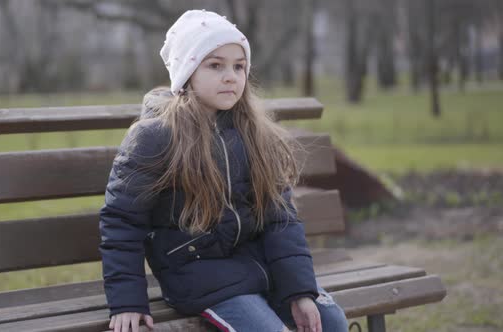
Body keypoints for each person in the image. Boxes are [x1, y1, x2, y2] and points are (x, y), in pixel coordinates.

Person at [99, 9, 349, 332]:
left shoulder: (254, 133)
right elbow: (122, 221)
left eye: (239, 66)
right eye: (216, 65)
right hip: (198, 276)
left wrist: (298, 290)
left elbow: (280, 217)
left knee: (331, 321)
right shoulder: (157, 137)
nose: (231, 76)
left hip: (257, 267)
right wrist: (128, 302)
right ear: (187, 73)